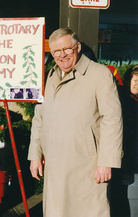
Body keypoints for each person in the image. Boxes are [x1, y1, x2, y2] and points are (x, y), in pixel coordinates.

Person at [27, 28, 123, 217]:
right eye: (56, 52)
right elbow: (40, 117)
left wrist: (106, 162)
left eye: (67, 49)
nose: (62, 56)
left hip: (87, 166)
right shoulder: (50, 76)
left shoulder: (100, 74)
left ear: (77, 47)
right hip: (55, 165)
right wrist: (35, 155)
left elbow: (112, 119)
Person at [111, 65, 138, 217]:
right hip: (120, 157)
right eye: (135, 80)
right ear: (128, 80)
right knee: (118, 195)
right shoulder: (122, 98)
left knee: (121, 195)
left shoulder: (133, 99)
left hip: (126, 159)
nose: (137, 84)